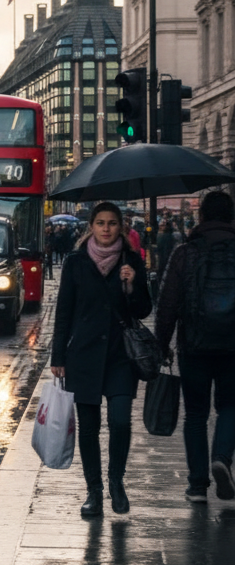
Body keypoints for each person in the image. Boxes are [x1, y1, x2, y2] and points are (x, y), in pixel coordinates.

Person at [51, 201, 153, 517]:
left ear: (120, 227)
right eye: (100, 223)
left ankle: (116, 481)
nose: (106, 229)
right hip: (83, 355)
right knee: (89, 427)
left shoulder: (132, 260)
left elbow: (144, 310)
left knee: (120, 419)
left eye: (112, 223)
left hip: (121, 355)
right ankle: (94, 491)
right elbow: (64, 310)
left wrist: (132, 285)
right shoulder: (76, 261)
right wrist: (57, 355)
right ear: (91, 227)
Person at [154, 190, 235, 502]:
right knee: (229, 406)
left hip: (194, 345)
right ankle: (222, 458)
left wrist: (162, 344)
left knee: (196, 415)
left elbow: (167, 303)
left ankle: (197, 486)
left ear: (201, 217)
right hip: (232, 347)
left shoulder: (184, 252)